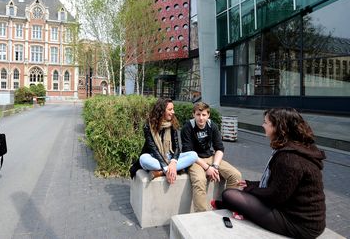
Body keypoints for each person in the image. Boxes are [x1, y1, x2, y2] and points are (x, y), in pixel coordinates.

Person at [216, 107, 326, 238]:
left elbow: (275, 196)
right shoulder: (298, 148)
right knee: (242, 193)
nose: (263, 125)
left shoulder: (289, 158)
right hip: (306, 218)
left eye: (265, 122)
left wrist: (251, 189)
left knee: (230, 195)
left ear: (279, 127)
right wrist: (254, 185)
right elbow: (283, 185)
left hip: (300, 224)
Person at [181, 102, 241, 212]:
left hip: (210, 157)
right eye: (198, 114)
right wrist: (207, 168)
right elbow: (189, 154)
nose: (201, 118)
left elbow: (219, 148)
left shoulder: (212, 125)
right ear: (193, 114)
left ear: (208, 115)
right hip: (194, 160)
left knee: (235, 175)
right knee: (199, 180)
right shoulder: (187, 127)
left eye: (204, 115)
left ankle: (228, 206)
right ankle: (202, 215)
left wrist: (215, 166)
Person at [130, 98, 199, 184]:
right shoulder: (148, 126)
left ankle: (160, 172)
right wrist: (167, 168)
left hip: (169, 156)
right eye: (170, 109)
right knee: (143, 159)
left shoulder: (172, 123)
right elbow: (153, 148)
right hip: (153, 157)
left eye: (173, 109)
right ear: (161, 111)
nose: (173, 112)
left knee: (193, 155)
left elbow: (177, 148)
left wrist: (173, 163)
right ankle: (169, 170)